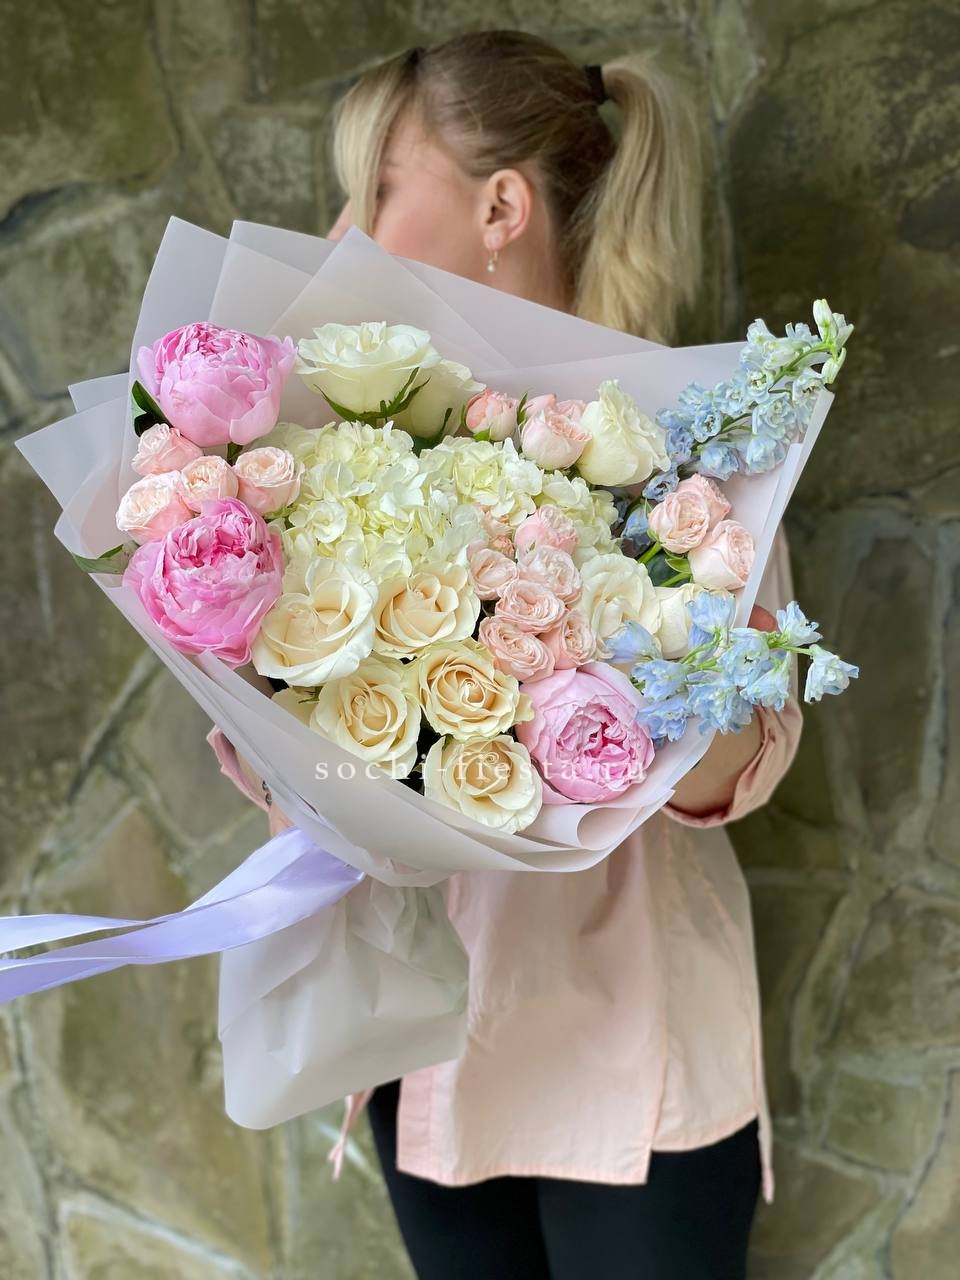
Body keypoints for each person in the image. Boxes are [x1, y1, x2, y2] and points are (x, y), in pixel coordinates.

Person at [210, 29, 803, 1280]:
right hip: (425, 1032)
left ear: (500, 208)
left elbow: (738, 772)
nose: (337, 233)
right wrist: (281, 729)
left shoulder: (689, 439)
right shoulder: (342, 446)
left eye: (375, 189)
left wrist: (676, 662)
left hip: (632, 1049)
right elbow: (322, 762)